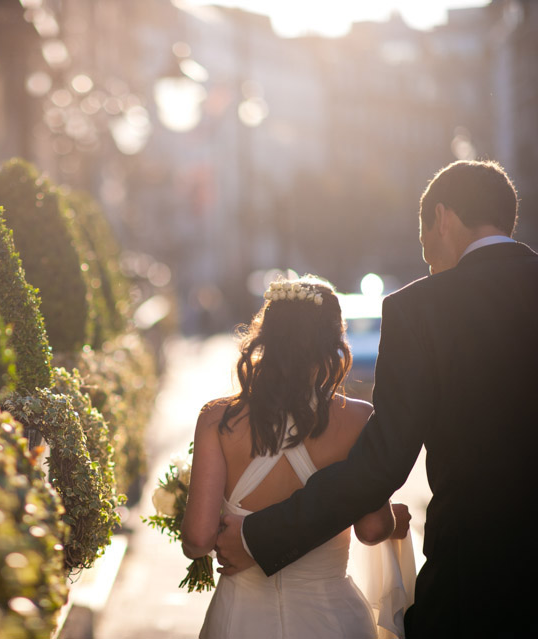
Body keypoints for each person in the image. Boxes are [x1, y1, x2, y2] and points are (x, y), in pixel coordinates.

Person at [213, 160, 538, 637]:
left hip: (473, 577)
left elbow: (381, 461)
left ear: (442, 218)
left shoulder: (420, 309)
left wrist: (258, 536)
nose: (427, 257)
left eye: (425, 241)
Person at [182, 276, 412, 638]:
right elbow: (371, 530)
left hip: (240, 620)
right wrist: (393, 521)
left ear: (266, 336)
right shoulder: (358, 419)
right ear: (333, 342)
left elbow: (197, 539)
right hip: (331, 618)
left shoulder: (217, 420)